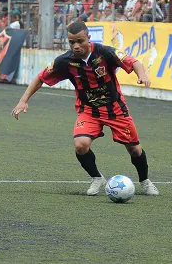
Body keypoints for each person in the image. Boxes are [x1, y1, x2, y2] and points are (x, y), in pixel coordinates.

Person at [11, 21, 159, 197]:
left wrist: (142, 75)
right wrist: (23, 100)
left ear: (88, 38)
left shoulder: (105, 52)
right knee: (81, 145)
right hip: (88, 110)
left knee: (134, 149)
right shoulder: (65, 61)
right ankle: (97, 178)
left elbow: (133, 62)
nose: (76, 46)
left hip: (115, 108)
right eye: (72, 42)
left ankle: (145, 181)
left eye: (80, 41)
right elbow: (41, 77)